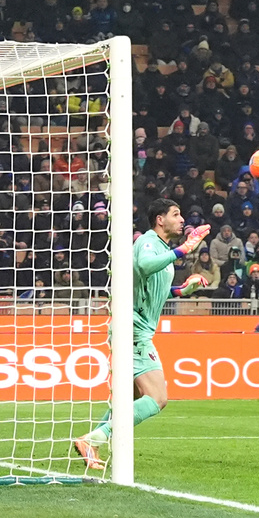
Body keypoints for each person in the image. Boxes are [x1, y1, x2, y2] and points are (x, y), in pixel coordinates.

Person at [73, 199, 210, 470]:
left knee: (132, 398)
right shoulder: (148, 243)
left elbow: (154, 289)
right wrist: (185, 249)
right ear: (160, 220)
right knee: (158, 398)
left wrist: (183, 290)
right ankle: (92, 438)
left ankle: (94, 441)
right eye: (176, 214)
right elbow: (146, 266)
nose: (182, 219)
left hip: (134, 327)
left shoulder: (161, 248)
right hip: (132, 328)